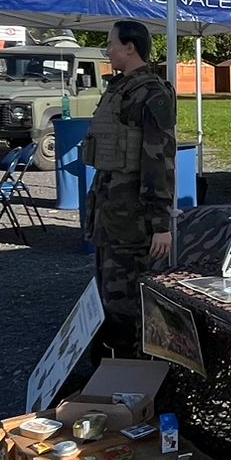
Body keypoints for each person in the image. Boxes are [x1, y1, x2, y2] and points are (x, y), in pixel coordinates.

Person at [83, 20, 175, 357]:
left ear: (130, 47)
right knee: (108, 299)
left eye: (111, 43)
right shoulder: (120, 89)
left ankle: (135, 373)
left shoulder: (152, 93)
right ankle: (113, 366)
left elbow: (159, 159)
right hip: (110, 215)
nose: (108, 50)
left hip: (132, 221)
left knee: (129, 305)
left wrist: (161, 224)